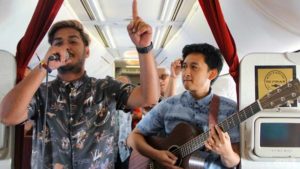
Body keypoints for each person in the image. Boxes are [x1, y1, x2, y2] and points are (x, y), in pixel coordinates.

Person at [0, 1, 160, 168]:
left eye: (73, 41)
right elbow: (7, 116)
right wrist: (43, 67)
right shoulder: (41, 92)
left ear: (87, 51)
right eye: (58, 43)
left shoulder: (106, 88)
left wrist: (144, 49)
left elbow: (149, 97)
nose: (65, 47)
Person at [127, 43, 240, 169]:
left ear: (212, 74)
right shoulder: (169, 104)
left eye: (194, 67)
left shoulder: (229, 110)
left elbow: (234, 161)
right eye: (185, 67)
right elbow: (133, 137)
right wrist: (158, 155)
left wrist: (226, 152)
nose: (186, 72)